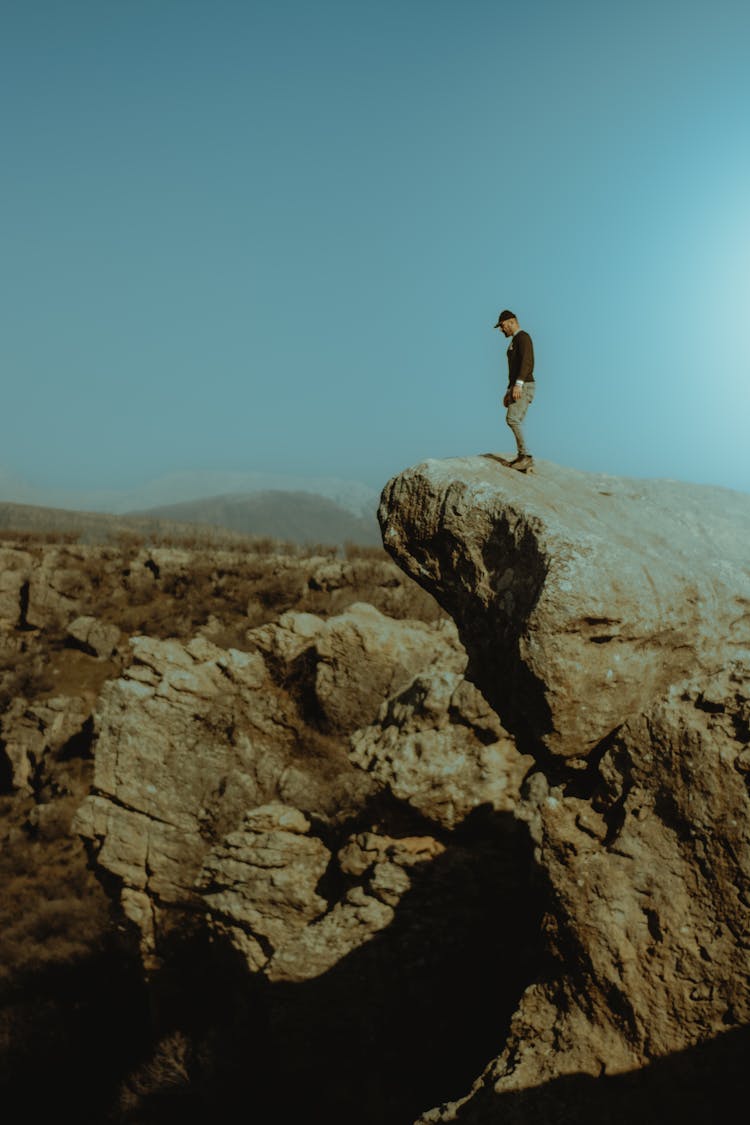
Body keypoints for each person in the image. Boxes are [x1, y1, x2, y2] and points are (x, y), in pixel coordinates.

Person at [495, 309, 535, 470]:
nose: (501, 329)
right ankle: (522, 457)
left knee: (512, 419)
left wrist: (518, 384)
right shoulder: (515, 340)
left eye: (502, 325)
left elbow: (527, 361)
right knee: (515, 420)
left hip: (524, 384)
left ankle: (525, 456)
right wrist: (509, 389)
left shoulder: (523, 337)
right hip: (519, 385)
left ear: (512, 322)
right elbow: (515, 368)